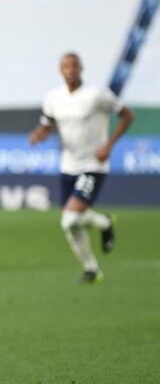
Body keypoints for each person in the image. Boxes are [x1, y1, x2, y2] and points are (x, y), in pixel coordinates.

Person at [29, 52, 133, 283]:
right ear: (60, 70)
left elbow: (126, 116)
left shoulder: (97, 94)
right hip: (68, 165)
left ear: (81, 68)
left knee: (70, 219)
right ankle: (92, 268)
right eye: (66, 66)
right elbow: (47, 124)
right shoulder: (54, 97)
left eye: (74, 65)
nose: (71, 70)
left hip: (93, 164)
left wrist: (108, 145)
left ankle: (104, 224)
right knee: (72, 223)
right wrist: (39, 134)